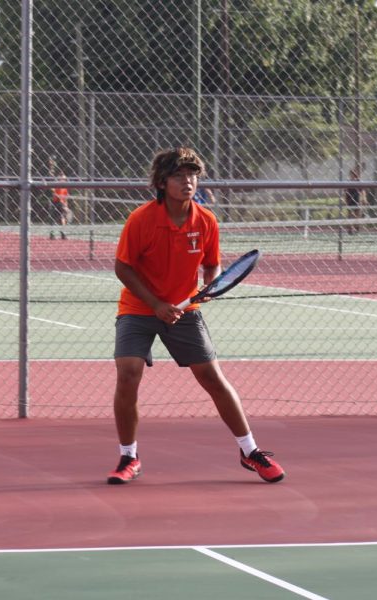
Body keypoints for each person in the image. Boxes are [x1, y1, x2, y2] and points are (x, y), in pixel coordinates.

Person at [107, 147, 284, 485]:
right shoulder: (141, 220)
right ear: (162, 182)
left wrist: (210, 285)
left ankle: (251, 451)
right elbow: (123, 268)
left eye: (192, 175)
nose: (187, 181)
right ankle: (128, 456)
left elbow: (212, 264)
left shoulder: (206, 220)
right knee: (128, 373)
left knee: (213, 378)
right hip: (139, 307)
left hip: (185, 311)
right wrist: (157, 304)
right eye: (179, 175)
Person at [344, 164, 365, 232]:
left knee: (357, 214)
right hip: (350, 199)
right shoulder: (348, 182)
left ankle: (357, 227)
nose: (352, 175)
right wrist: (345, 200)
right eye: (351, 174)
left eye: (354, 174)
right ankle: (350, 228)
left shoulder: (358, 181)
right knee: (350, 214)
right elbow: (346, 191)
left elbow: (362, 191)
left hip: (357, 199)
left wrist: (364, 198)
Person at [51, 173, 71, 239]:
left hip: (61, 203)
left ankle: (63, 234)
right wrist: (56, 195)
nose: (63, 180)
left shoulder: (65, 187)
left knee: (62, 218)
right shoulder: (56, 184)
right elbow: (53, 193)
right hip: (56, 202)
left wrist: (66, 205)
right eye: (62, 179)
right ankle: (52, 234)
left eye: (64, 179)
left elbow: (66, 197)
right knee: (54, 218)